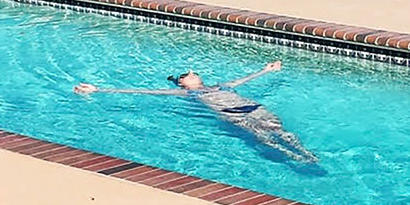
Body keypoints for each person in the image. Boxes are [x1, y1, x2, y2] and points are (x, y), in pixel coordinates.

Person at [74, 60, 317, 163]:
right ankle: (293, 158)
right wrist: (98, 90)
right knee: (263, 137)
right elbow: (143, 92)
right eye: (186, 74)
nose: (192, 72)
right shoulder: (187, 94)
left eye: (193, 71)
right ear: (182, 84)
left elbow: (243, 81)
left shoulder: (220, 85)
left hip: (254, 108)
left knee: (280, 130)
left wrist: (266, 70)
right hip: (234, 115)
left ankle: (304, 153)